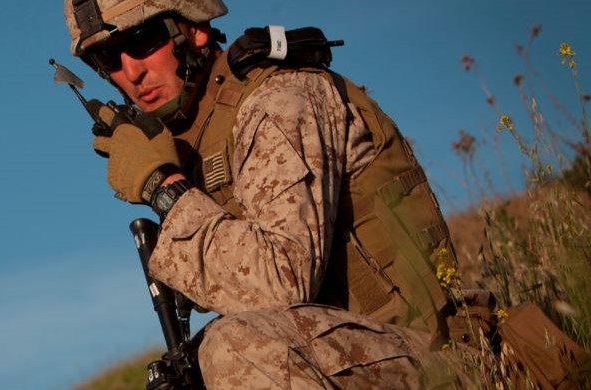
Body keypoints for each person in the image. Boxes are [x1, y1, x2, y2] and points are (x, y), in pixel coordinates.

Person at [63, 0, 466, 388]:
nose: (131, 72)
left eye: (143, 42)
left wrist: (164, 188)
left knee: (237, 348)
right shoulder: (194, 139)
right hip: (349, 357)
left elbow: (279, 283)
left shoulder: (278, 100)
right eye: (109, 59)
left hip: (433, 353)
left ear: (195, 28)